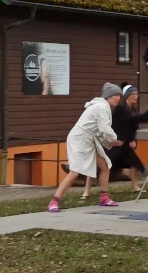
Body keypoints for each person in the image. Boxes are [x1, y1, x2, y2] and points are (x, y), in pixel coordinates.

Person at [47, 83, 125, 212]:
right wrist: (114, 138)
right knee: (74, 172)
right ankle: (53, 202)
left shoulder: (103, 107)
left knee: (105, 166)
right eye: (115, 95)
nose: (118, 98)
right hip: (79, 140)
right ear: (108, 96)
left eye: (119, 95)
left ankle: (104, 198)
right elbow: (104, 129)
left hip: (89, 140)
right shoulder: (101, 107)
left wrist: (110, 143)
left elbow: (99, 131)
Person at [81, 83, 148, 198]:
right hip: (112, 143)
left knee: (135, 163)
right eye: (133, 94)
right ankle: (86, 191)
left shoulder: (132, 109)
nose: (136, 96)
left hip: (124, 144)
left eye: (137, 94)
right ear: (127, 95)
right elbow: (138, 118)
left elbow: (134, 125)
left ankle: (135, 186)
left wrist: (134, 140)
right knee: (99, 166)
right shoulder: (122, 108)